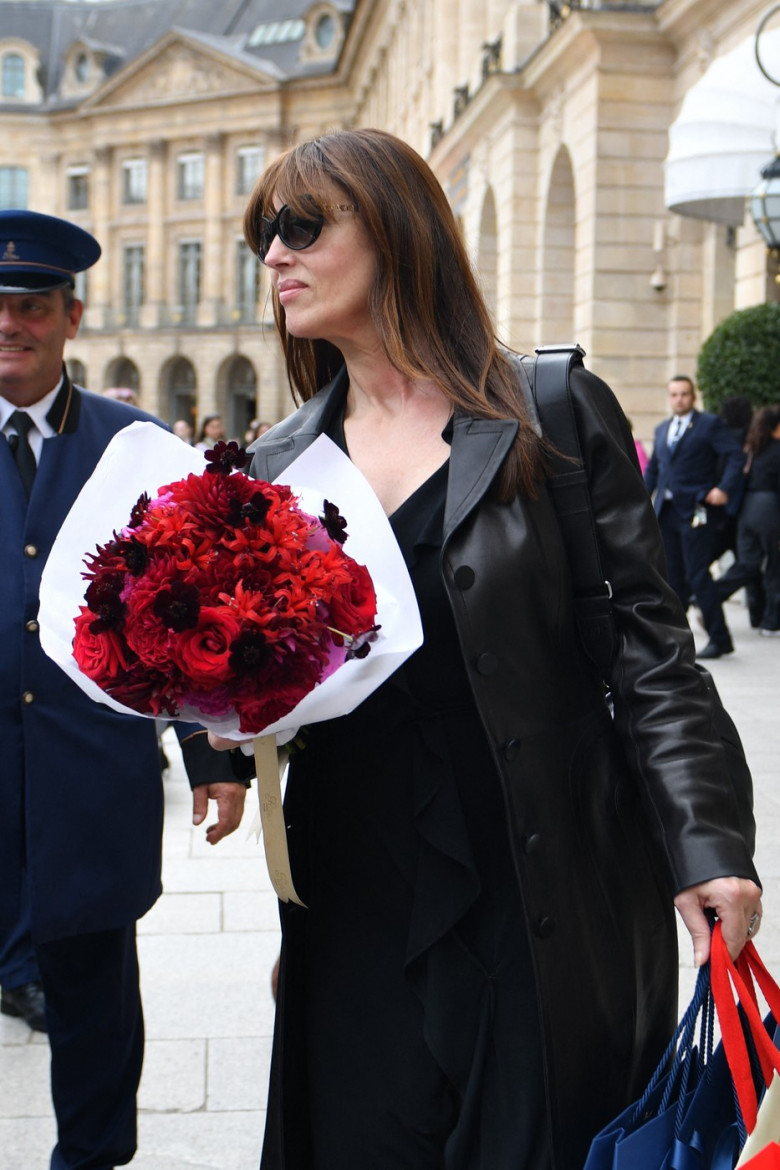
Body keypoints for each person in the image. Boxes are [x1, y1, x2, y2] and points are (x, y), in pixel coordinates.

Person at [211, 129, 761, 1170]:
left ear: (400, 233)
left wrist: (708, 846)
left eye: (301, 226)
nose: (274, 256)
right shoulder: (277, 464)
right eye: (262, 235)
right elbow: (258, 681)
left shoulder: (545, 412)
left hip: (537, 882)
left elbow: (652, 653)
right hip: (354, 898)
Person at [0, 209, 248, 1170]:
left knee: (94, 999)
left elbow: (189, 615)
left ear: (72, 315)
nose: (9, 324)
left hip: (89, 774)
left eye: (31, 305)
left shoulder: (136, 448)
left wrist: (212, 753)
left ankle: (91, 1160)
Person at [644, 374, 746, 659]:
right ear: (669, 398)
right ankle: (675, 639)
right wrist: (640, 499)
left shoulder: (709, 425)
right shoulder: (662, 428)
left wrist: (724, 488)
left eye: (685, 394)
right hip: (667, 514)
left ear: (693, 396)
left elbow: (736, 456)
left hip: (697, 512)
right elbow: (654, 471)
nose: (679, 399)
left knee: (698, 574)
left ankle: (719, 638)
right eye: (674, 394)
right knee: (672, 577)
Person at [716, 404, 780, 636]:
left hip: (747, 511)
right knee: (775, 566)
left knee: (748, 563)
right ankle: (772, 623)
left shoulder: (752, 448)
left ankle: (710, 596)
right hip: (770, 509)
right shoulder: (776, 450)